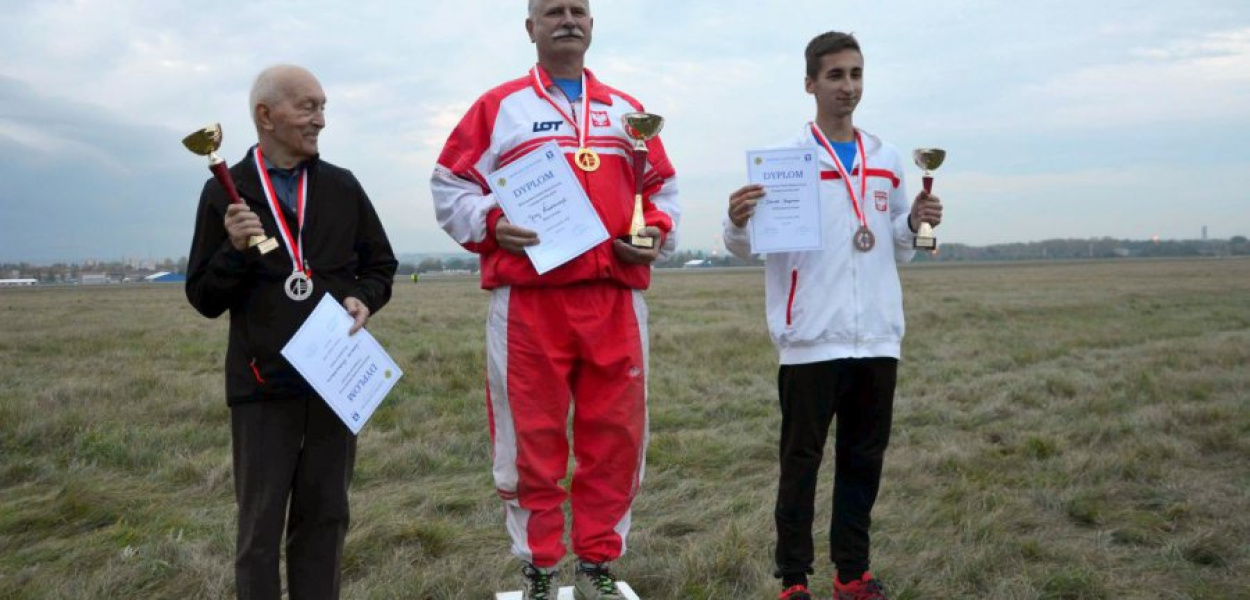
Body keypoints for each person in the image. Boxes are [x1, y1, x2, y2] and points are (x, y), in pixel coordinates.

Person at [430, 1, 679, 598]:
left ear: (592, 25)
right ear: (531, 28)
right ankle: (540, 569)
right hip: (530, 303)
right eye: (553, 11)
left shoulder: (628, 112)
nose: (568, 19)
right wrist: (492, 221)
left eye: (579, 11)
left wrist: (655, 230)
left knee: (615, 437)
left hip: (614, 298)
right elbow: (450, 184)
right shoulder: (499, 107)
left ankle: (596, 564)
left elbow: (663, 188)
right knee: (532, 439)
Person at [723, 32, 943, 600]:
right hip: (810, 339)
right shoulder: (783, 162)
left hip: (876, 337)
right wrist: (736, 219)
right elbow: (746, 247)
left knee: (862, 462)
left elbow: (897, 245)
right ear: (810, 84)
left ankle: (852, 573)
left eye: (857, 74)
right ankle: (793, 580)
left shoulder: (887, 159)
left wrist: (916, 218)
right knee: (800, 464)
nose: (849, 87)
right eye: (836, 76)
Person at [185, 64, 397, 600]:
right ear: (266, 116)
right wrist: (233, 252)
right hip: (261, 386)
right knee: (259, 528)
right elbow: (204, 298)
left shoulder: (342, 187)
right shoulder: (226, 194)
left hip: (334, 381)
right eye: (308, 107)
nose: (321, 120)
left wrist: (363, 298)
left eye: (323, 106)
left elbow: (381, 265)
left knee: (326, 517)